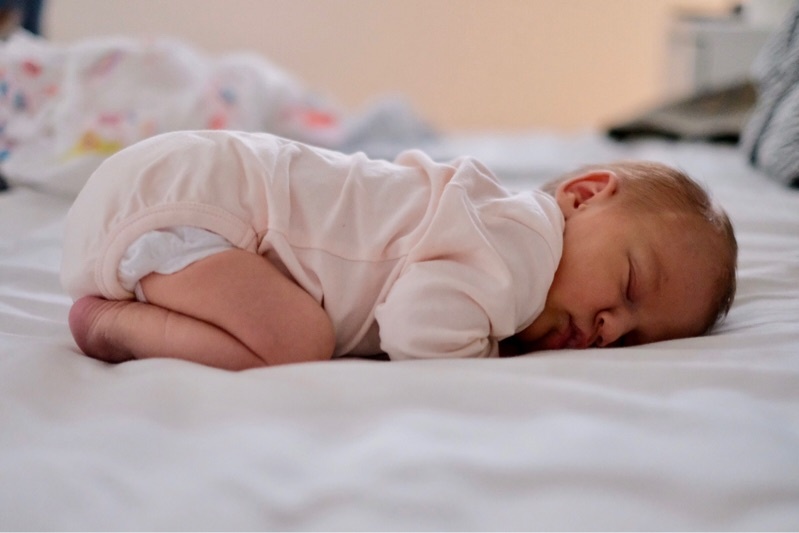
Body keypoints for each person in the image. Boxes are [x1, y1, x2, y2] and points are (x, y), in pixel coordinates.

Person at [61, 130, 737, 370]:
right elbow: (416, 326)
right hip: (189, 206)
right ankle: (114, 323)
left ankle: (145, 285)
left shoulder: (488, 227)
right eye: (629, 285)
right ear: (583, 196)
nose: (610, 327)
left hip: (174, 190)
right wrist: (489, 358)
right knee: (295, 341)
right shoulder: (521, 249)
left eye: (631, 337)